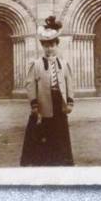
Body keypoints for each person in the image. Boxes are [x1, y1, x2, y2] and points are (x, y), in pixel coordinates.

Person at [20, 16, 75, 166]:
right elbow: (30, 85)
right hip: (44, 104)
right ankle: (44, 160)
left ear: (57, 45)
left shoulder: (64, 64)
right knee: (44, 132)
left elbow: (69, 83)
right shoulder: (36, 64)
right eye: (46, 45)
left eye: (52, 45)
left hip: (59, 103)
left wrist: (70, 102)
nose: (49, 48)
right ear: (42, 46)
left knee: (60, 132)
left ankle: (61, 160)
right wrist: (34, 105)